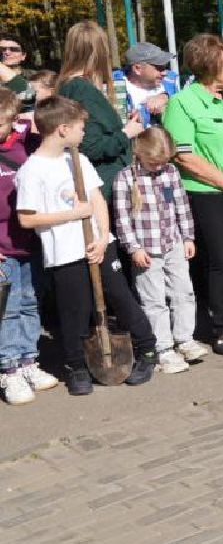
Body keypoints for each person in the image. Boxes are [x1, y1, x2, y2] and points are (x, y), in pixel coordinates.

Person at [17, 96, 159, 394]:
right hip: (64, 253)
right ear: (63, 129)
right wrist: (74, 214)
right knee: (75, 310)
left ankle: (147, 349)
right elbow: (28, 219)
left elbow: (96, 202)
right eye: (82, 127)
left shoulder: (78, 160)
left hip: (98, 245)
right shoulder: (32, 170)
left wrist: (102, 235)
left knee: (121, 297)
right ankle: (76, 366)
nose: (85, 133)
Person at [165, 34, 223, 355]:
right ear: (210, 66)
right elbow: (184, 156)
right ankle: (219, 327)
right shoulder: (182, 103)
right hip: (207, 193)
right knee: (219, 260)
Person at [113, 127, 204, 375]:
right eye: (153, 163)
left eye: (162, 163)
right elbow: (122, 219)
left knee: (183, 291)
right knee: (154, 300)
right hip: (146, 249)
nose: (158, 168)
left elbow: (181, 206)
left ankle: (184, 338)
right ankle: (163, 347)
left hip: (172, 242)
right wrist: (133, 248)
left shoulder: (170, 172)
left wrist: (188, 237)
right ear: (139, 153)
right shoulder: (126, 178)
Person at [0, 88, 56, 404]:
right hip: (2, 247)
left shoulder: (23, 138)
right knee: (7, 310)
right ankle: (9, 370)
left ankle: (28, 360)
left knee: (31, 301)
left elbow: (44, 111)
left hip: (28, 241)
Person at [54, 21, 142, 194]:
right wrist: (127, 133)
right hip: (104, 184)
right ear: (99, 51)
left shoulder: (67, 85)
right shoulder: (82, 90)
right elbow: (90, 147)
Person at [117, 42, 179, 124]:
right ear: (137, 69)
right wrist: (145, 110)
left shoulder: (171, 80)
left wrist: (166, 96)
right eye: (159, 67)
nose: (165, 72)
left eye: (164, 67)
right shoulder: (115, 88)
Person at [0, 33, 32, 109]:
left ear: (23, 56)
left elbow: (30, 96)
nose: (7, 53)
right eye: (2, 49)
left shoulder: (36, 76)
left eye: (14, 49)